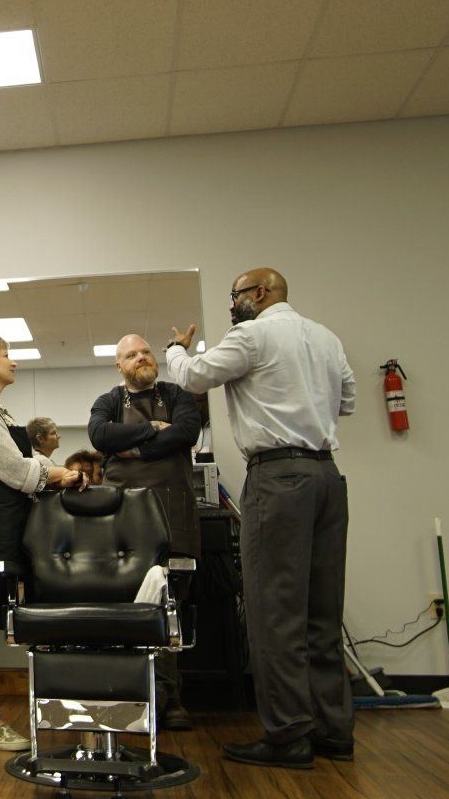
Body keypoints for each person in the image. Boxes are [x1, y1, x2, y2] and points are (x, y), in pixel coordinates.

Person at [165, 268, 356, 769]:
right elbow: (348, 401)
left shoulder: (252, 335)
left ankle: (289, 735)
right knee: (321, 610)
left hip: (279, 479)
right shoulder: (326, 338)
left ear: (261, 293)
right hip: (327, 477)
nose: (231, 306)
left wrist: (177, 349)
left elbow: (192, 377)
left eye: (235, 296)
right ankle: (334, 732)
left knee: (275, 613)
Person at [0, 332, 82, 750]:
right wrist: (58, 474)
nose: (14, 361)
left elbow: (31, 460)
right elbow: (15, 470)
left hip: (11, 522)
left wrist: (59, 471)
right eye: (7, 355)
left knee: (22, 610)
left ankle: (57, 706)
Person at [89, 334, 203, 730]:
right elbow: (100, 436)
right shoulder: (108, 402)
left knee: (170, 605)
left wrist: (132, 447)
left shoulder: (176, 395)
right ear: (119, 366)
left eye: (145, 352)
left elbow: (186, 432)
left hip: (173, 514)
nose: (141, 357)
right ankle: (127, 694)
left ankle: (169, 698)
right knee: (126, 606)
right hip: (124, 520)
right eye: (131, 354)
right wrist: (154, 429)